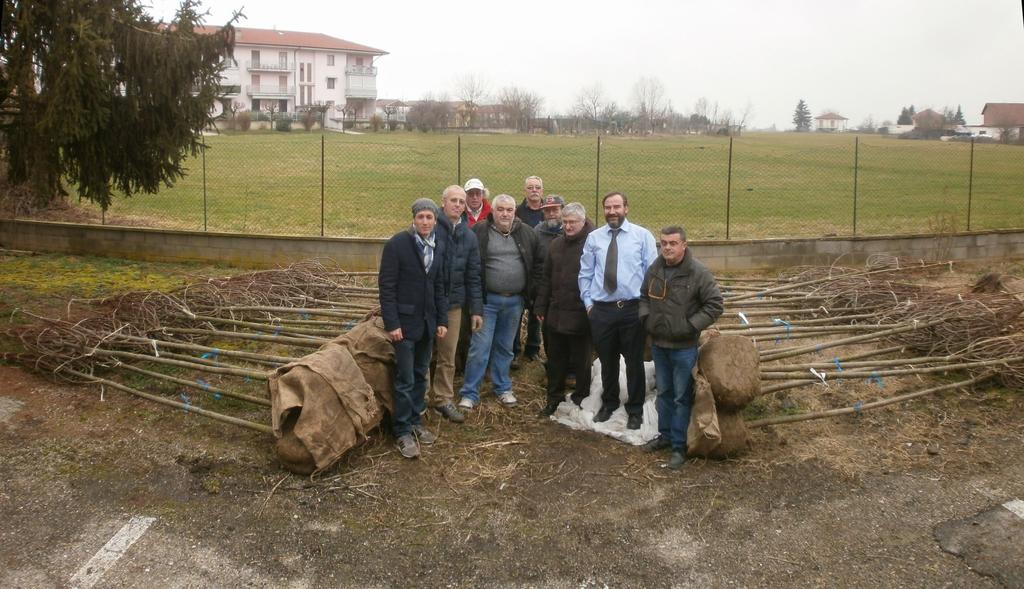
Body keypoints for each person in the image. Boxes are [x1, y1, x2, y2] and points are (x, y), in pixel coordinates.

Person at [639, 226, 723, 469]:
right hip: (659, 344)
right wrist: (646, 319)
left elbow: (715, 304)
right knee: (663, 393)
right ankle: (664, 436)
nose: (667, 247)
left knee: (680, 396)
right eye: (664, 243)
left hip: (684, 347)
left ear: (684, 245)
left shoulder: (697, 273)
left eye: (672, 243)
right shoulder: (655, 269)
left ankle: (678, 445)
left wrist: (691, 326)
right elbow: (644, 296)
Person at [578, 191, 658, 430]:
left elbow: (651, 275)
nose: (612, 212)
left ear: (626, 208)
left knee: (634, 361)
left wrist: (647, 307)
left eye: (616, 207)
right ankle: (610, 402)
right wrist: (589, 304)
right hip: (602, 310)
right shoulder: (594, 238)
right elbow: (585, 273)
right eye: (608, 207)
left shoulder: (642, 237)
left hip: (632, 309)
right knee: (607, 360)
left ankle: (634, 408)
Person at [378, 198, 449, 459]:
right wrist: (392, 323)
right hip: (404, 326)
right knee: (405, 379)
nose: (425, 222)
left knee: (421, 374)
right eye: (421, 217)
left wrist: (442, 320)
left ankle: (416, 421)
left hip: (428, 324)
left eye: (430, 217)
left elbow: (439, 285)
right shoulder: (398, 244)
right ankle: (402, 430)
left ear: (435, 220)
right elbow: (387, 287)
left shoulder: (437, 244)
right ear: (414, 218)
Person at [457, 194, 542, 410]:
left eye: (509, 210)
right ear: (492, 211)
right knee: (480, 347)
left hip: (514, 302)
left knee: (505, 347)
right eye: (501, 209)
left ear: (515, 212)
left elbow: (537, 265)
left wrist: (531, 295)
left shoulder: (527, 234)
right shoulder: (479, 232)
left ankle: (502, 387)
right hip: (487, 302)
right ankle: (470, 392)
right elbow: (470, 268)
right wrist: (474, 303)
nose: (505, 214)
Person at [429, 185, 484, 423]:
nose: (459, 205)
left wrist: (476, 309)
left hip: (453, 306)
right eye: (454, 200)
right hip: (428, 303)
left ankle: (442, 399)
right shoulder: (429, 228)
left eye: (462, 202)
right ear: (443, 203)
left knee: (447, 356)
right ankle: (419, 401)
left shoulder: (468, 236)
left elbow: (474, 275)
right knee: (423, 355)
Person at [534, 202, 594, 416]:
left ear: (583, 221)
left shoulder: (593, 244)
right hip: (556, 313)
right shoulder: (556, 245)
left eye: (572, 222)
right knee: (556, 360)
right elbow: (546, 278)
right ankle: (554, 398)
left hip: (581, 313)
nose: (568, 226)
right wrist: (541, 305)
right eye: (565, 222)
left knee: (581, 361)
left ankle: (581, 399)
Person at [514, 176, 545, 362]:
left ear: (542, 191)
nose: (534, 190)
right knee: (517, 312)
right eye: (530, 187)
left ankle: (533, 349)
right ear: (525, 191)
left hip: (540, 268)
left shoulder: (548, 211)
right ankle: (514, 350)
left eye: (537, 187)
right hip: (521, 266)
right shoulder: (517, 211)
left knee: (536, 310)